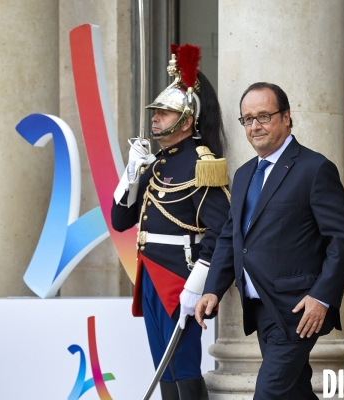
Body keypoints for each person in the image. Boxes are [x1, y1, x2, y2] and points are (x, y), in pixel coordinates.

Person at [195, 82, 344, 399]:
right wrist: (212, 288)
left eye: (264, 116)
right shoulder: (243, 175)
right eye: (248, 119)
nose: (255, 126)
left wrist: (321, 297)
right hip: (259, 309)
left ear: (286, 117)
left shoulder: (314, 168)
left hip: (298, 309)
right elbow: (231, 238)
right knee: (294, 392)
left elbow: (341, 237)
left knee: (268, 393)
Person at [111, 44, 230, 400]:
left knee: (183, 366)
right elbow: (120, 220)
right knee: (163, 367)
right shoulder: (157, 163)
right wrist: (133, 170)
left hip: (181, 277)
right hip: (149, 273)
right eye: (156, 111)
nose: (155, 118)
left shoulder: (201, 163)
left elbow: (222, 229)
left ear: (187, 120)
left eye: (164, 112)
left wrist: (198, 282)